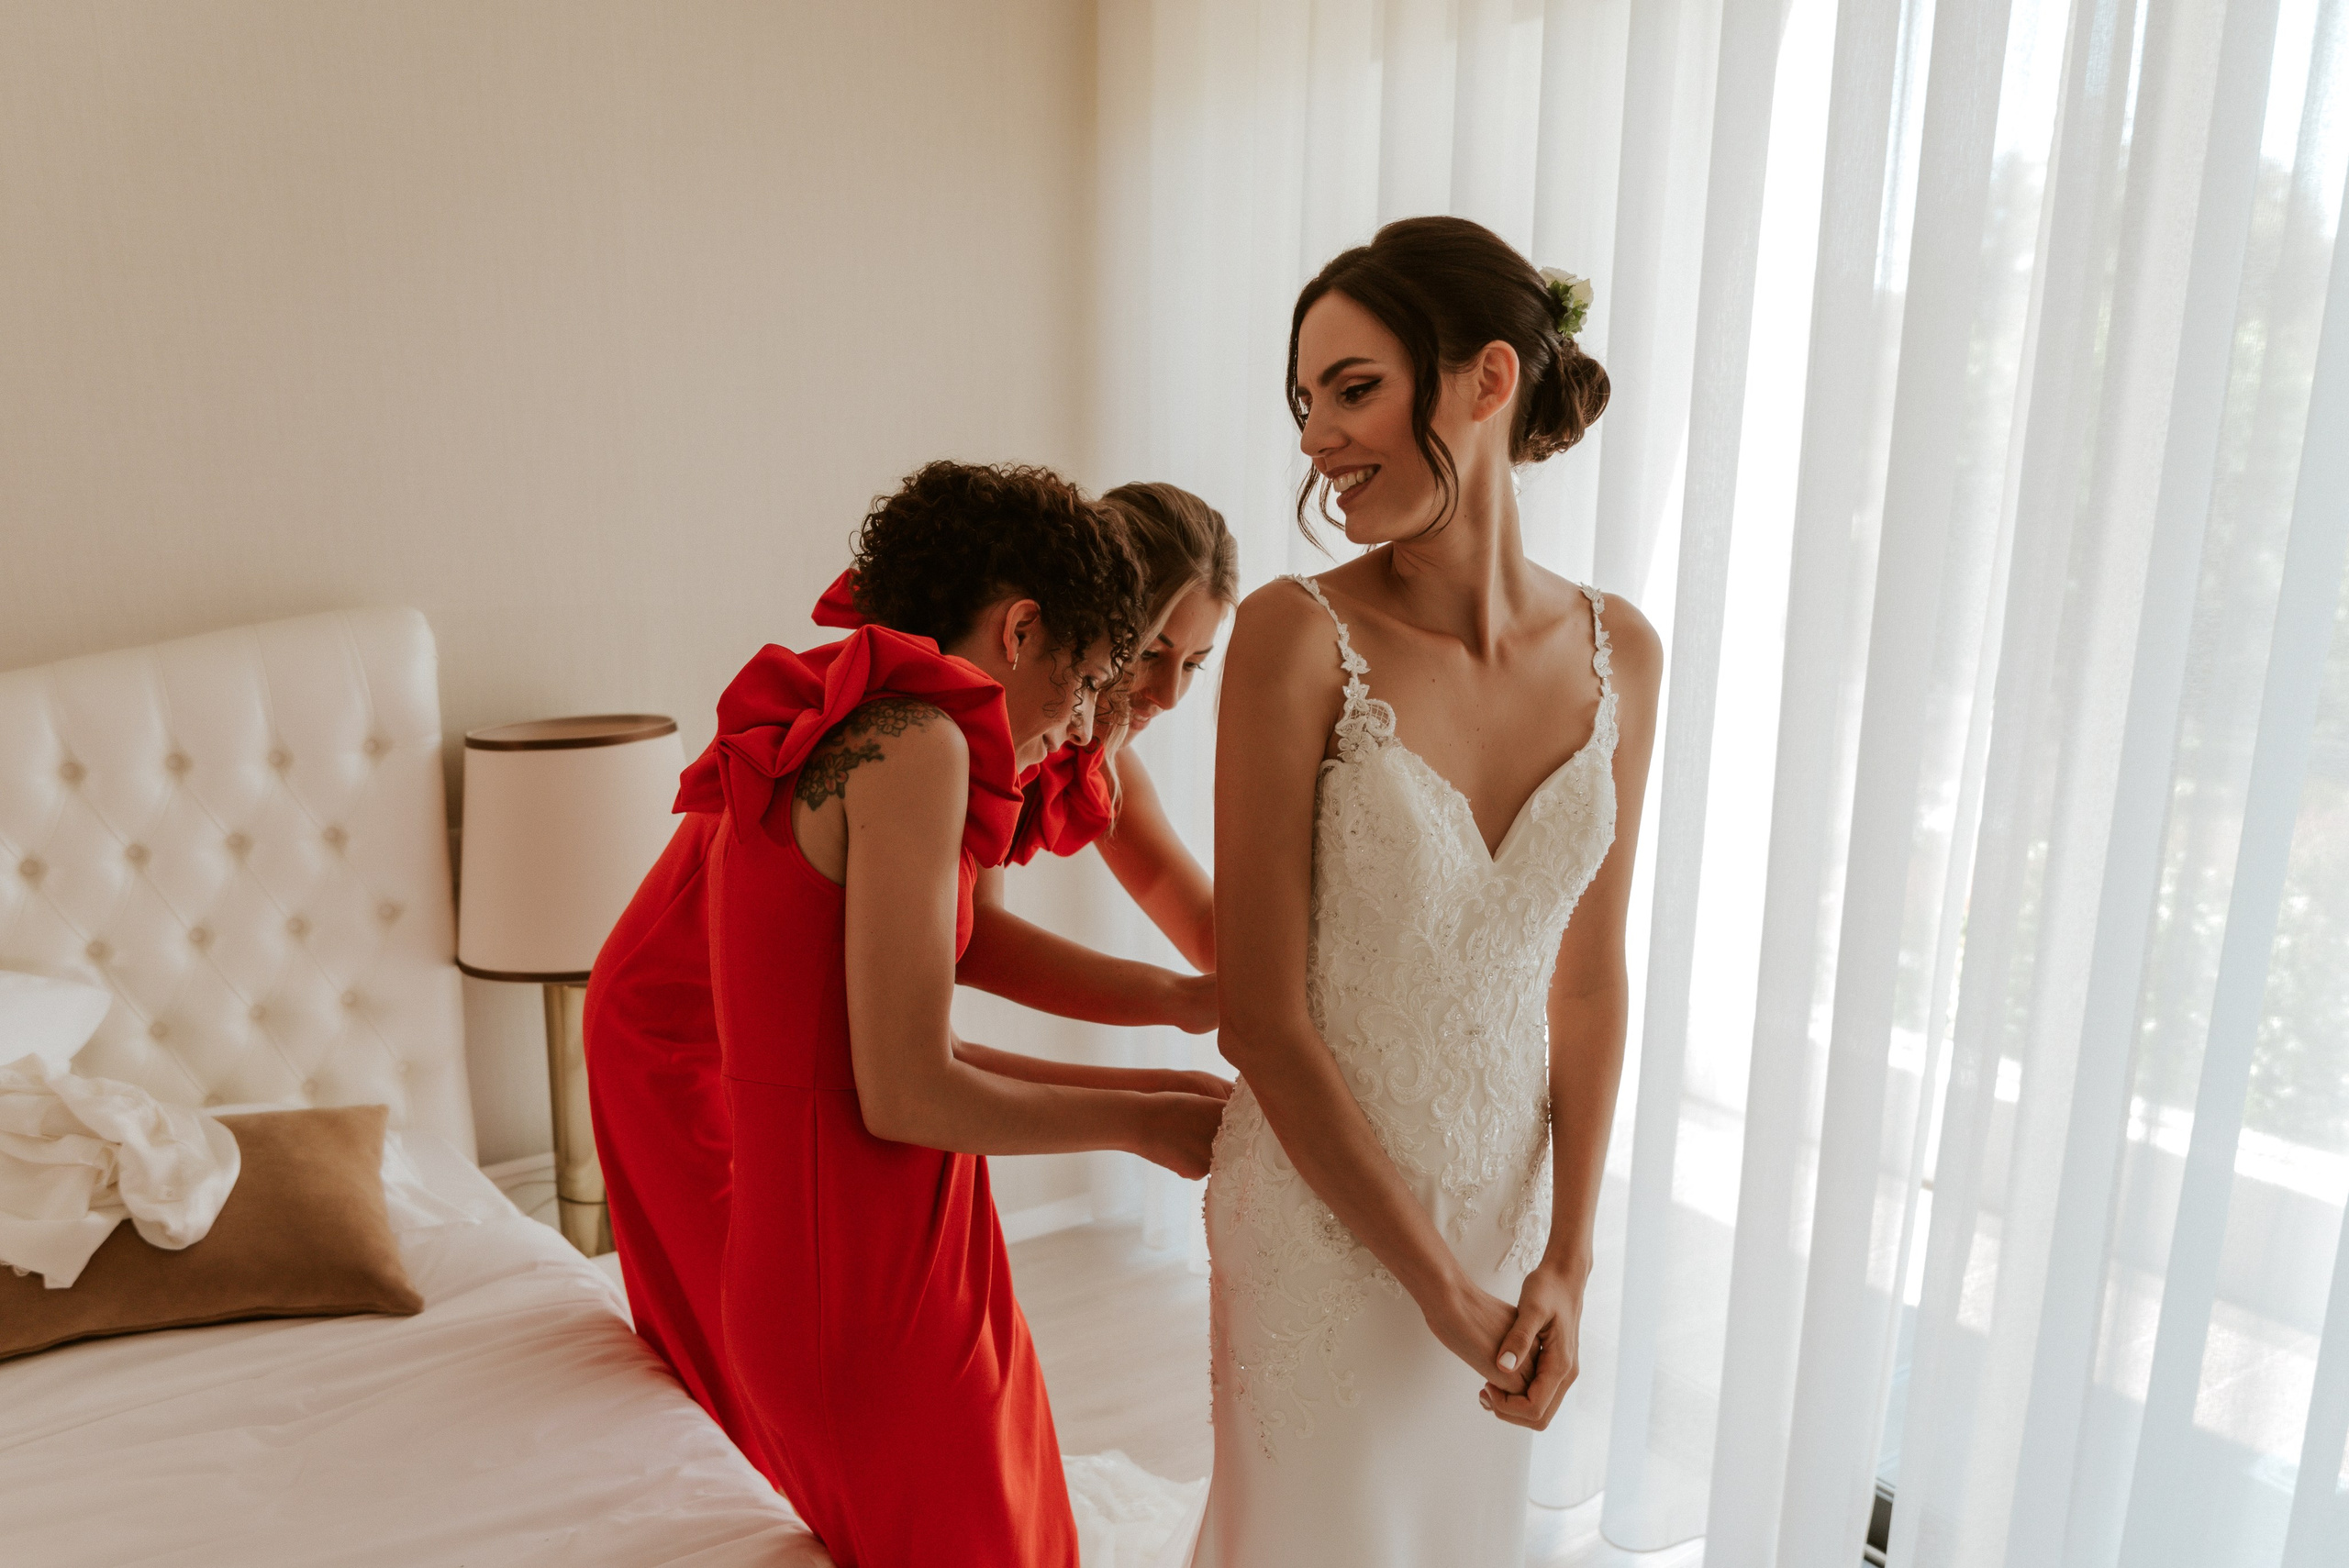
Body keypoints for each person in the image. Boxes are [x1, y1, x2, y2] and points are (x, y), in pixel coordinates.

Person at [586, 462, 1224, 1566]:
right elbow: (908, 1076)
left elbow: (897, 1045)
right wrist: (1144, 1111)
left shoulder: (890, 724)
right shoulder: (916, 746)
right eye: (1107, 670)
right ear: (1024, 627)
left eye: (1188, 665)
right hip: (743, 1106)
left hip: (876, 1205)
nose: (1126, 702)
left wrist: (1168, 1062)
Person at [1193, 217, 1662, 1566]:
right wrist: (1436, 1285)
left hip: (1504, 1217)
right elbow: (1260, 1019)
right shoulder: (1294, 635)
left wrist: (1566, 1257)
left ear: (1488, 378)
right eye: (1304, 401)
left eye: (1353, 388)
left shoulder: (1623, 653)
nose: (1317, 438)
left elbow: (1586, 979)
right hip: (1320, 1219)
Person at [955, 481, 1240, 1019]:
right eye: (1151, 654)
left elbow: (1207, 931)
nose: (1170, 696)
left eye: (1193, 664)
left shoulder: (1099, 762)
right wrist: (1178, 1000)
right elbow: (973, 936)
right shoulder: (974, 721)